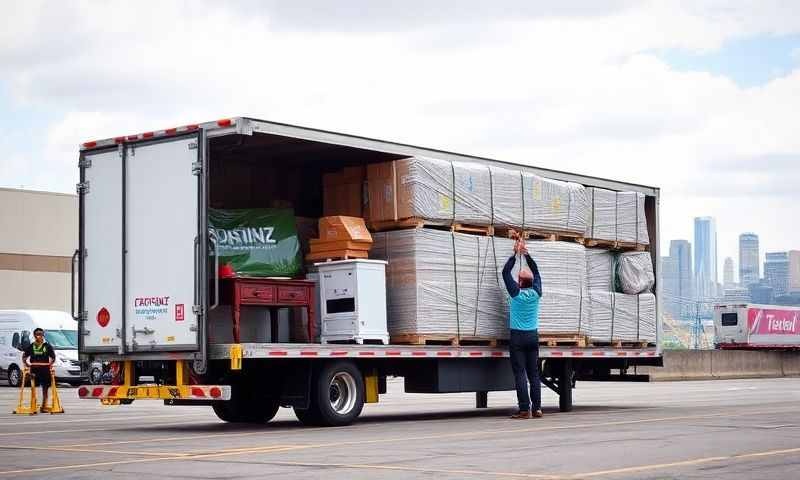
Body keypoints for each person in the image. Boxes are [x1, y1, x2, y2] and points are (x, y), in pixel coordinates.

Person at [502, 236, 543, 419]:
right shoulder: (536, 293)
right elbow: (537, 272)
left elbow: (505, 272)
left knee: (520, 373)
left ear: (519, 282)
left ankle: (524, 409)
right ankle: (538, 408)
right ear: (532, 282)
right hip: (533, 337)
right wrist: (527, 256)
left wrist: (515, 254)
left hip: (518, 337)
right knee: (534, 374)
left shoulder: (516, 294)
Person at [22, 328, 56, 413]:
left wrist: (50, 365)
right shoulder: (31, 346)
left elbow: (53, 357)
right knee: (33, 387)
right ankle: (33, 406)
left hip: (45, 370)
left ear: (43, 335)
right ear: (34, 335)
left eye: (40, 334)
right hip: (34, 369)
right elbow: (24, 356)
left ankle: (43, 406)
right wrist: (26, 364)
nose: (39, 336)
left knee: (45, 388)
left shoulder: (47, 346)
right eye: (37, 334)